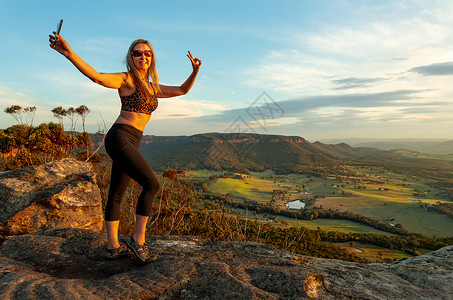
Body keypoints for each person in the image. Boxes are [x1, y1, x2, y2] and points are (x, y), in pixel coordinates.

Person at [49, 31, 201, 264]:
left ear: (152, 58)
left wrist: (194, 71)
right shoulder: (126, 79)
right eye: (138, 53)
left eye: (147, 53)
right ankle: (138, 241)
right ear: (131, 57)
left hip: (134, 140)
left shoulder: (152, 87)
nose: (143, 57)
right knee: (152, 184)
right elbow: (97, 77)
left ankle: (112, 247)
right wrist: (70, 54)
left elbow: (182, 90)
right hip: (120, 137)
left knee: (117, 193)